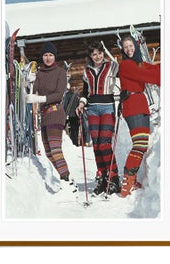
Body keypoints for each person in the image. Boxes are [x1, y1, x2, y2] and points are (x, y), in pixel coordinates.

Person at [26, 42, 77, 193]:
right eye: (45, 55)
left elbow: (59, 94)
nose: (48, 58)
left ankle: (66, 178)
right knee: (48, 151)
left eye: (51, 55)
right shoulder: (39, 74)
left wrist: (40, 99)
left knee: (55, 149)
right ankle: (65, 178)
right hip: (45, 116)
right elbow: (31, 92)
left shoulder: (60, 72)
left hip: (56, 113)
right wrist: (29, 81)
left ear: (55, 57)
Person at [118, 36, 160, 197]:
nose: (129, 49)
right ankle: (127, 184)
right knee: (140, 144)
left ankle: (130, 180)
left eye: (131, 46)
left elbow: (150, 69)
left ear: (135, 46)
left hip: (140, 105)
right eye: (125, 47)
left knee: (141, 144)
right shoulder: (126, 65)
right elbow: (146, 75)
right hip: (132, 105)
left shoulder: (137, 63)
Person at [76, 41, 120, 195]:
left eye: (100, 53)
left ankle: (113, 178)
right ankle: (102, 177)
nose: (98, 56)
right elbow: (85, 92)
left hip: (108, 106)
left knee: (104, 144)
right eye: (94, 54)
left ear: (103, 53)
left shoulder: (112, 66)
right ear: (90, 56)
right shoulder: (86, 71)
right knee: (95, 145)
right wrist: (82, 103)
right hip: (92, 109)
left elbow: (126, 77)